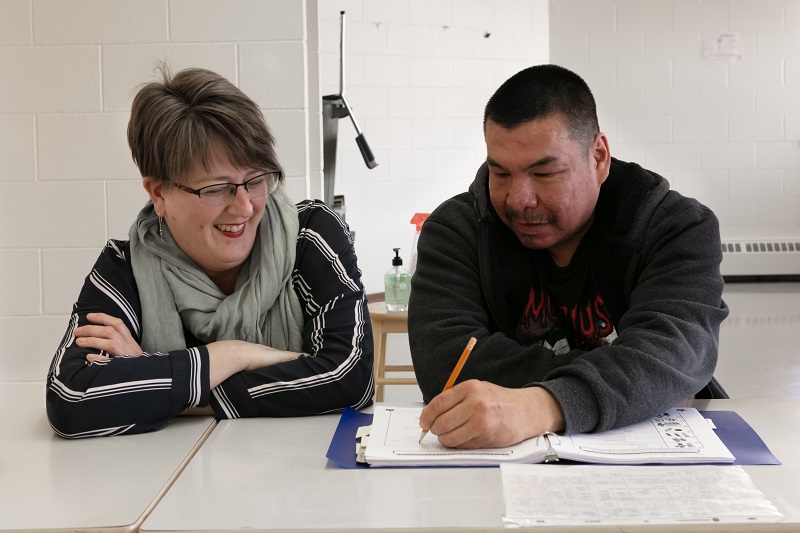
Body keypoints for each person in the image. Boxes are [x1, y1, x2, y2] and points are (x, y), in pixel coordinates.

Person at [409, 64, 729, 449]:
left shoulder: (675, 227)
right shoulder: (456, 230)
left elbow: (674, 353)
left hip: (659, 453)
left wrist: (540, 405)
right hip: (499, 466)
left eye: (544, 174)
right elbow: (444, 364)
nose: (518, 200)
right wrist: (638, 382)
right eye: (501, 174)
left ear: (598, 157)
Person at [46, 67, 374, 438]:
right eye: (216, 188)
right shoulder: (125, 269)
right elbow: (72, 398)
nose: (245, 207)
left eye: (255, 180)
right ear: (158, 194)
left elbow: (352, 377)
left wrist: (163, 381)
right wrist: (236, 354)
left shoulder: (309, 235)